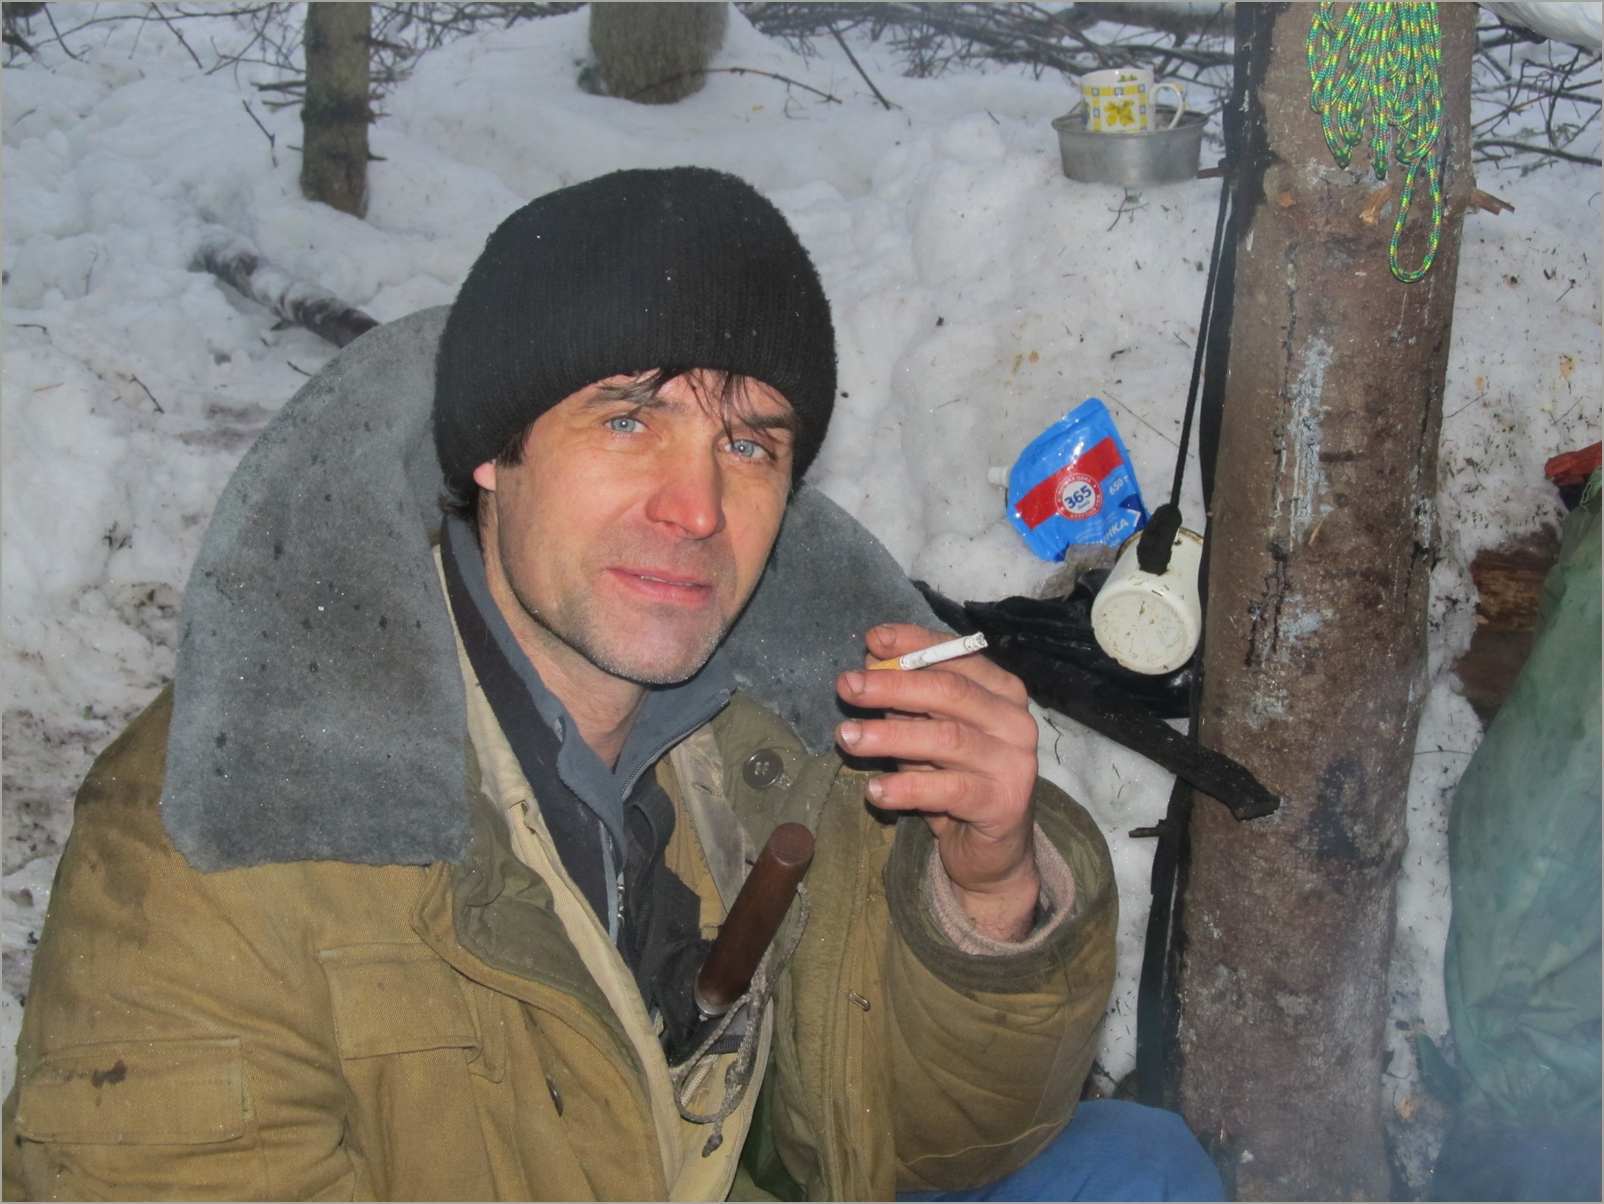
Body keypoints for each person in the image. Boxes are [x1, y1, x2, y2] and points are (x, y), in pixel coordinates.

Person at [2, 167, 1221, 1201]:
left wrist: (986, 895)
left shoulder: (790, 734)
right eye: (628, 420)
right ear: (493, 449)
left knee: (1136, 1166)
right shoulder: (231, 821)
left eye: (746, 443)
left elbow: (914, 1142)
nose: (696, 508)